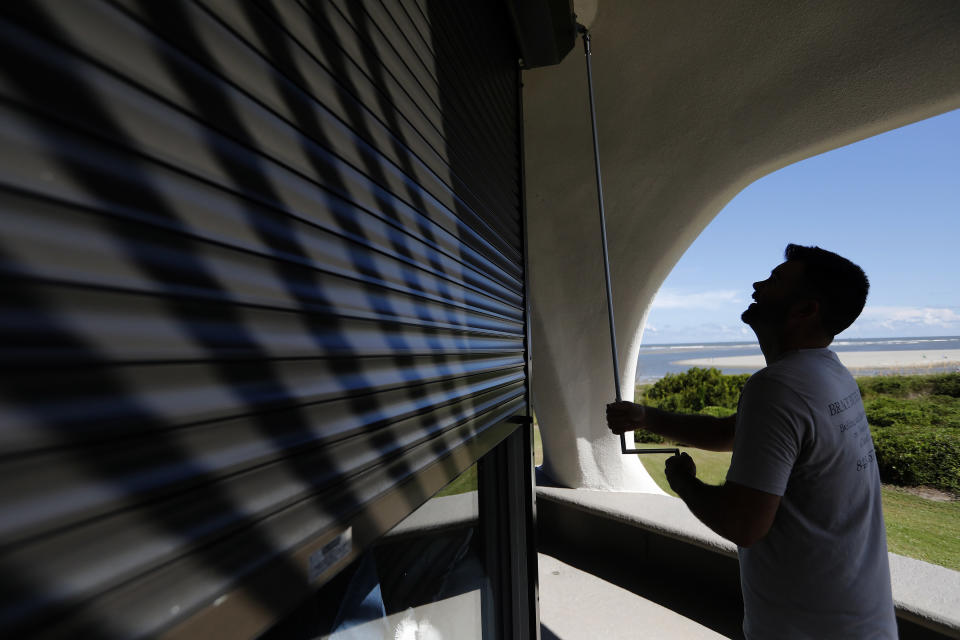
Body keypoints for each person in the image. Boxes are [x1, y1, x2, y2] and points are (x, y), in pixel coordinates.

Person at [607, 244, 897, 639]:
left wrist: (683, 482)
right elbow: (728, 433)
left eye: (776, 280)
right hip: (859, 618)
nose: (758, 285)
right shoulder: (828, 373)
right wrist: (648, 417)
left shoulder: (778, 387)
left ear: (805, 310)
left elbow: (742, 523)